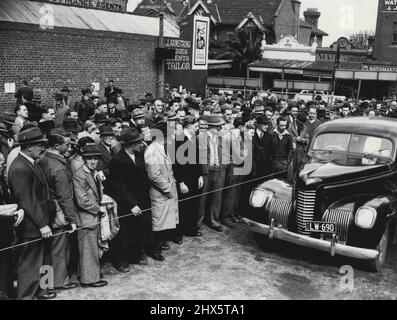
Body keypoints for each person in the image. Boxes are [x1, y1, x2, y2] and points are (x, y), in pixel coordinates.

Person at [8, 127, 57, 300]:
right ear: (29, 147)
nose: (43, 149)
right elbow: (27, 200)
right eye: (39, 145)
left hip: (42, 221)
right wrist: (42, 224)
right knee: (30, 263)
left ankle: (43, 290)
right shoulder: (20, 167)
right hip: (32, 225)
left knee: (45, 257)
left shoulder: (30, 162)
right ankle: (26, 295)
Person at [37, 131, 78, 291]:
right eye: (67, 144)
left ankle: (47, 282)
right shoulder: (58, 167)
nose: (69, 147)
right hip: (59, 211)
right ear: (56, 146)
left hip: (47, 208)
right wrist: (72, 219)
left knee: (49, 248)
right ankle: (60, 281)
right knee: (59, 248)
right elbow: (65, 196)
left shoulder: (43, 158)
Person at [109, 128, 152, 269]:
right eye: (139, 142)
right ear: (131, 144)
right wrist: (132, 204)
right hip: (125, 203)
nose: (142, 144)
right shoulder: (117, 160)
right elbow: (119, 186)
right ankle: (121, 261)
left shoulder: (139, 155)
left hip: (141, 199)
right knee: (125, 232)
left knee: (138, 229)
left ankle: (136, 255)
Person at [72, 143, 108, 288]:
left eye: (95, 158)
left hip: (91, 217)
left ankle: (89, 273)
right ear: (84, 159)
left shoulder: (93, 173)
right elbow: (82, 201)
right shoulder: (79, 175)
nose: (93, 161)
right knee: (88, 249)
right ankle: (90, 279)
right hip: (86, 217)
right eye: (89, 159)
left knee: (91, 248)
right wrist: (98, 208)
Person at [144, 120, 179, 261]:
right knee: (158, 221)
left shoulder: (163, 147)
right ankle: (155, 250)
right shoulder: (153, 150)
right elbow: (153, 175)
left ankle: (160, 244)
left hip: (166, 191)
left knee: (164, 220)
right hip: (160, 192)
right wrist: (167, 188)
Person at [173, 116, 204, 238]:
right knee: (182, 206)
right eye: (195, 126)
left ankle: (191, 229)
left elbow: (197, 160)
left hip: (194, 178)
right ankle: (178, 233)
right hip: (184, 180)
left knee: (193, 205)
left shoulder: (193, 139)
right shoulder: (179, 140)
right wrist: (180, 182)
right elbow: (176, 164)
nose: (197, 129)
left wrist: (200, 175)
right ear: (188, 126)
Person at [197, 115, 227, 233]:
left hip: (219, 170)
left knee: (216, 198)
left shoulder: (220, 138)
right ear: (210, 127)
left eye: (219, 126)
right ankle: (198, 223)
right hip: (206, 172)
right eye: (217, 127)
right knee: (202, 199)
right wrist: (201, 172)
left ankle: (214, 221)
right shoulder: (200, 138)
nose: (219, 128)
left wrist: (223, 166)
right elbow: (198, 158)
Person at [0, 152, 24, 299]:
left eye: (3, 162)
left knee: (7, 266)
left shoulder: (2, 180)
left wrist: (18, 209)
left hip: (6, 232)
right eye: (1, 163)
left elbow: (8, 200)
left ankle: (8, 293)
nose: (3, 165)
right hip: (2, 228)